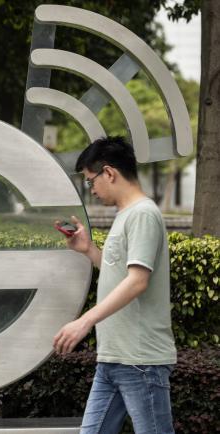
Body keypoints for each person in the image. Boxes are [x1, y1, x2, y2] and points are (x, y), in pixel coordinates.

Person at [53, 136, 176, 434]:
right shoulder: (125, 216)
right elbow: (121, 273)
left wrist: (84, 321)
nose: (91, 190)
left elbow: (137, 281)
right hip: (113, 359)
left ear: (109, 173)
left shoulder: (143, 214)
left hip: (140, 361)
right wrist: (89, 250)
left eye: (90, 181)